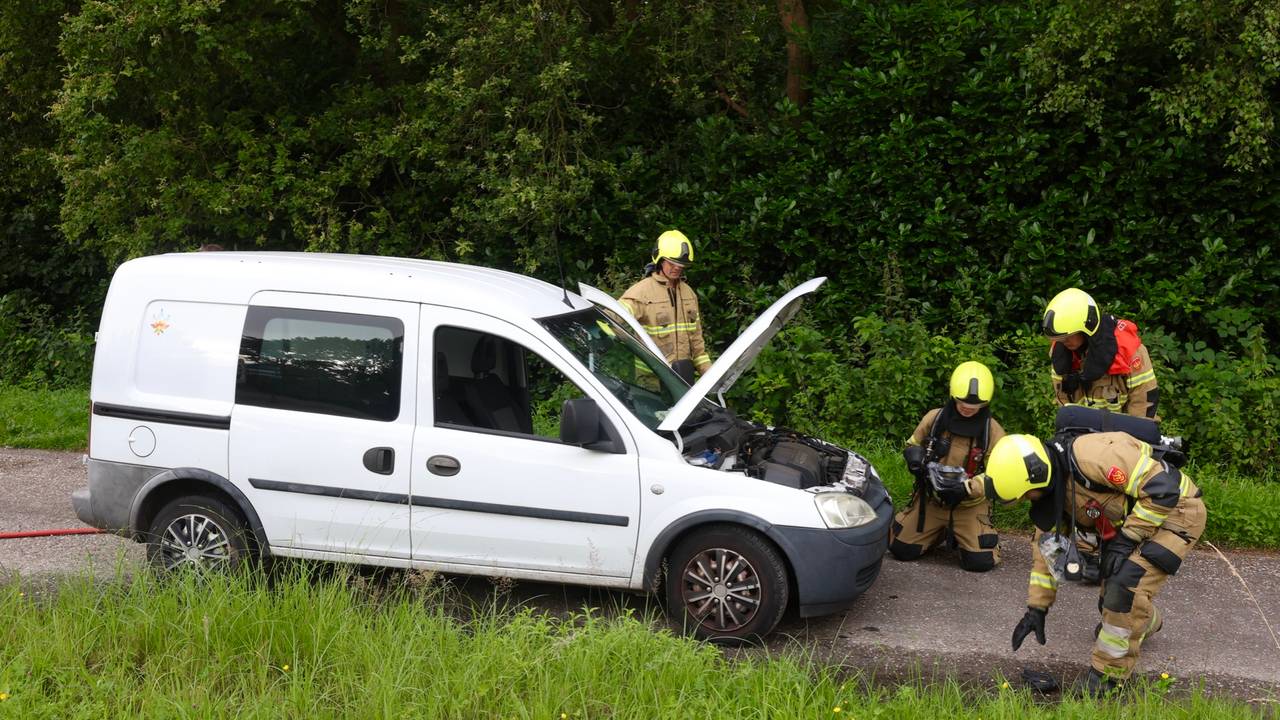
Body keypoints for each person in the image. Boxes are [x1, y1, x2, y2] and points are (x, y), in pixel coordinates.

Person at [982, 431, 1206, 694]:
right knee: (1111, 603)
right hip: (1136, 519)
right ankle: (1144, 621)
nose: (1024, 501)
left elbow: (1162, 491)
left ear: (1036, 475)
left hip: (1176, 512)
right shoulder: (1050, 490)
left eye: (1025, 496)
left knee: (1123, 588)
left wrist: (1124, 541)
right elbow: (1047, 553)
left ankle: (1108, 678)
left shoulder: (1095, 458)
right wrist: (1036, 608)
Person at [888, 361, 1006, 572]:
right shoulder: (935, 418)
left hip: (968, 505)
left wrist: (969, 488)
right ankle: (937, 532)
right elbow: (913, 443)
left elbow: (1000, 474)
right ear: (953, 395)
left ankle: (968, 535)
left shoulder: (993, 431)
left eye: (974, 406)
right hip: (933, 501)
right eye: (962, 404)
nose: (967, 409)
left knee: (980, 563)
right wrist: (915, 458)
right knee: (901, 549)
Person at [1042, 288, 1158, 418]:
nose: (1063, 342)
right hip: (1083, 430)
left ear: (1087, 328)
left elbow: (1143, 402)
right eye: (1059, 338)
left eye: (1068, 336)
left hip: (1125, 432)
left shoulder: (1129, 351)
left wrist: (1133, 436)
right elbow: (1064, 401)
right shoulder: (1061, 353)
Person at [618, 230, 711, 383]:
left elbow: (697, 340)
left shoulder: (689, 294)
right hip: (651, 379)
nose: (677, 268)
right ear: (660, 260)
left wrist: (708, 374)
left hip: (682, 378)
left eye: (681, 266)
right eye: (672, 263)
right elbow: (613, 318)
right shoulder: (642, 292)